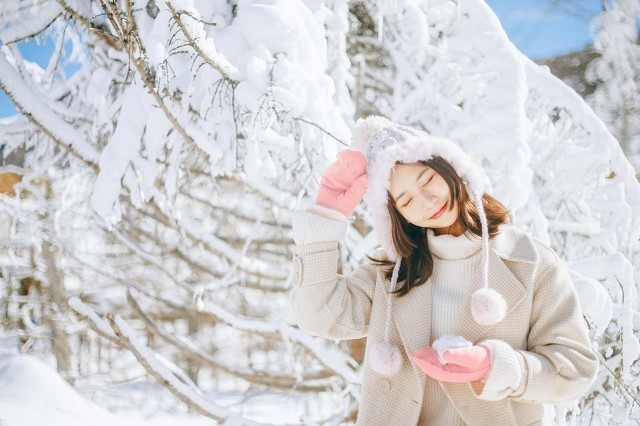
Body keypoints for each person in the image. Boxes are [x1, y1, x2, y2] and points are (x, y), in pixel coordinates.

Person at [289, 116, 599, 425]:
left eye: (426, 180)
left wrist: (496, 367)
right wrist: (325, 218)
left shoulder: (530, 263)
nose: (427, 201)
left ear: (449, 165)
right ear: (398, 216)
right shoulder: (392, 273)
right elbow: (320, 316)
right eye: (407, 200)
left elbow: (575, 368)